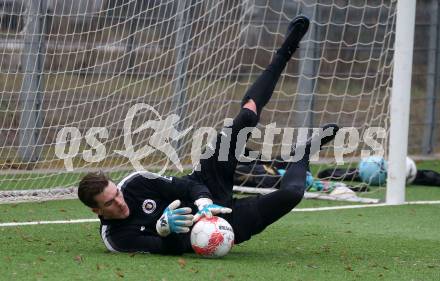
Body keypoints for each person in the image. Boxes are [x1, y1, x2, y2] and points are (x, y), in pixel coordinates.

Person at [77, 15, 339, 254]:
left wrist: (203, 202)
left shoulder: (135, 183)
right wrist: (164, 231)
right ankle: (302, 154)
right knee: (292, 194)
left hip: (207, 181)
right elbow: (170, 250)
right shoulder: (117, 238)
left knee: (247, 117)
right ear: (97, 210)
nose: (120, 202)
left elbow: (187, 184)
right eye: (110, 202)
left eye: (116, 194)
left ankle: (288, 47)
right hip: (222, 224)